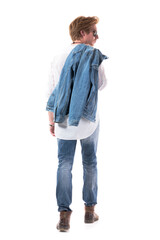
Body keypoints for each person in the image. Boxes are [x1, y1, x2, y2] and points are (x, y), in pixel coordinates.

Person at [46, 16, 108, 232]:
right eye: (93, 32)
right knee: (90, 162)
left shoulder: (58, 56)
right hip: (88, 120)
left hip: (63, 120)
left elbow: (51, 90)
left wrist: (51, 121)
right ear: (82, 33)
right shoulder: (94, 55)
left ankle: (64, 217)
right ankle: (90, 212)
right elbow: (101, 84)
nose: (96, 36)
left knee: (64, 164)